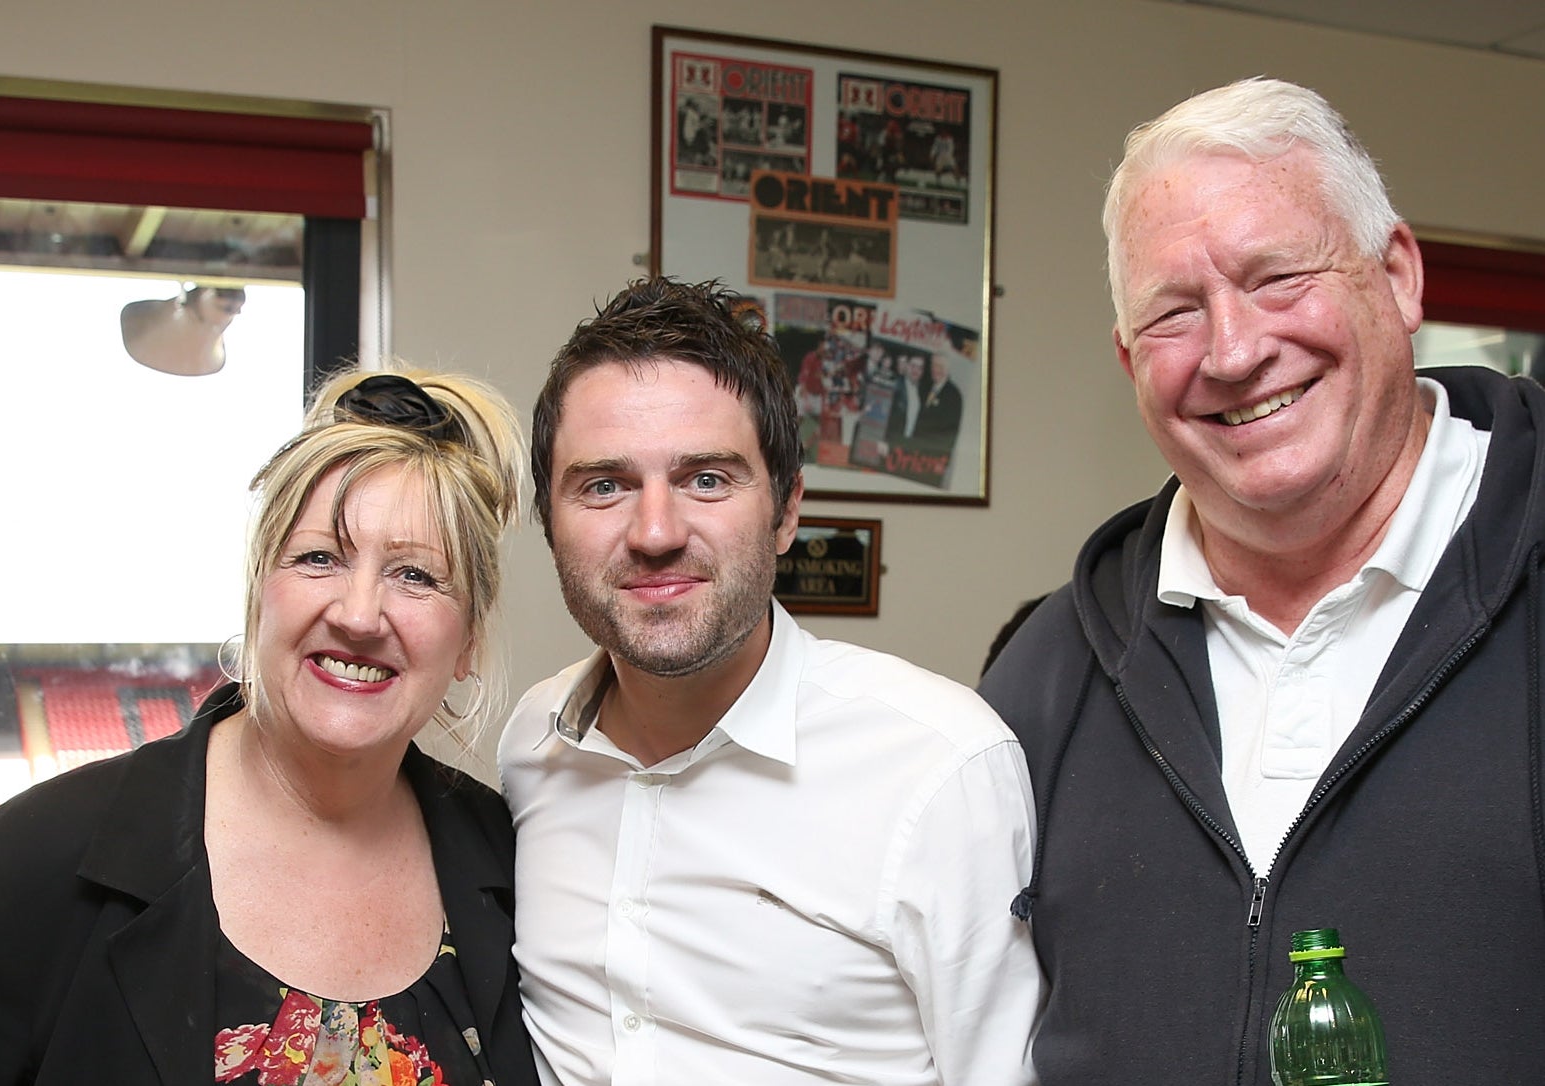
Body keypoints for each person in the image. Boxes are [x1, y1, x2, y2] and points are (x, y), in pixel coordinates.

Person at [978, 76, 1545, 1084]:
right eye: (1174, 315)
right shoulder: (1048, 675)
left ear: (1400, 274)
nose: (1235, 352)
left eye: (1278, 276)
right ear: (1128, 361)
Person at [0, 367, 539, 1085]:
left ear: (466, 641)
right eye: (318, 558)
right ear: (257, 593)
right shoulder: (36, 859)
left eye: (416, 576)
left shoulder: (518, 872)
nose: (360, 614)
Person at [501, 276, 1042, 1085]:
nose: (655, 532)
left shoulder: (938, 765)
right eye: (604, 485)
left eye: (706, 480)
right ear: (549, 522)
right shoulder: (532, 746)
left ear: (787, 511)